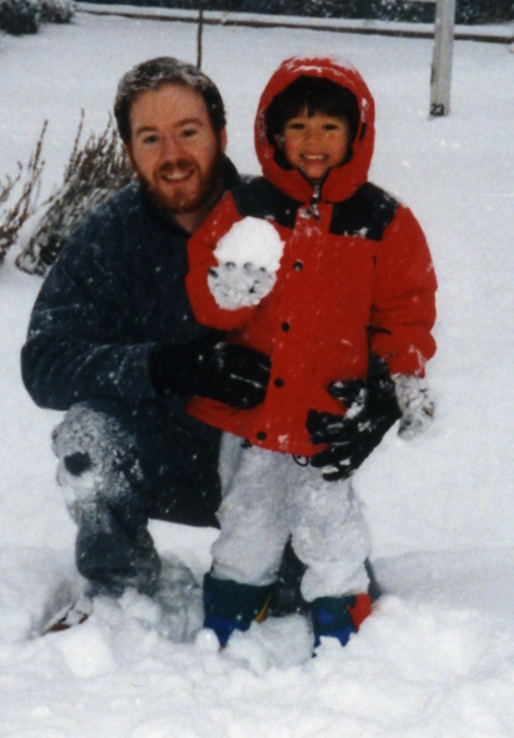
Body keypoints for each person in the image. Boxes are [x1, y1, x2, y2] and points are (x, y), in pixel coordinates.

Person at [184, 55, 438, 647]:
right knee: (247, 519)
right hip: (254, 414)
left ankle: (342, 615)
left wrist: (402, 378)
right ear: (274, 134)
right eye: (297, 127)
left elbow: (405, 308)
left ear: (356, 133)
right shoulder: (246, 206)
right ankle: (231, 606)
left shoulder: (381, 218)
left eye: (329, 126)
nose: (313, 141)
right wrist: (227, 292)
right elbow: (207, 291)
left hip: (331, 414)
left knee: (331, 524)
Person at [21, 57, 275, 631]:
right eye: (151, 138)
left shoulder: (273, 216)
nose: (173, 154)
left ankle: (284, 584)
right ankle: (118, 594)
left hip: (262, 456)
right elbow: (44, 362)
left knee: (310, 582)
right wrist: (162, 366)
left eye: (189, 132)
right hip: (157, 457)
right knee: (86, 438)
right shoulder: (110, 234)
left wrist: (378, 398)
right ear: (129, 150)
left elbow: (359, 323)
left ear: (221, 135)